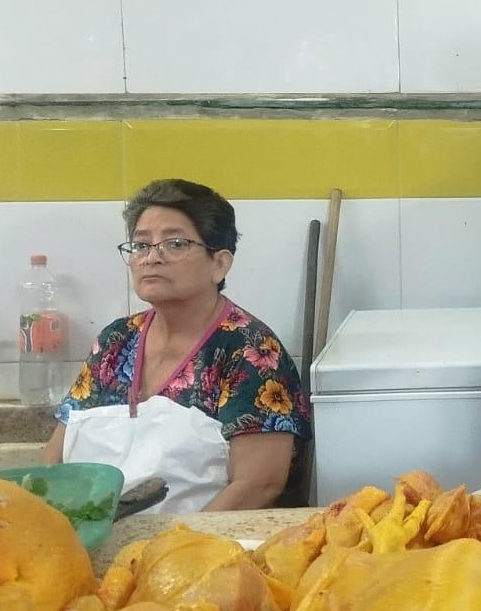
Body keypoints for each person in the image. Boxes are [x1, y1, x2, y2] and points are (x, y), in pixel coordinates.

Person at [41, 178, 312, 512]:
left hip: (201, 540)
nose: (151, 258)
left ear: (219, 264)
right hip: (95, 536)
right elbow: (54, 457)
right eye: (141, 245)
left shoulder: (250, 351)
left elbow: (259, 485)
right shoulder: (115, 341)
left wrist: (176, 540)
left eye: (175, 244)